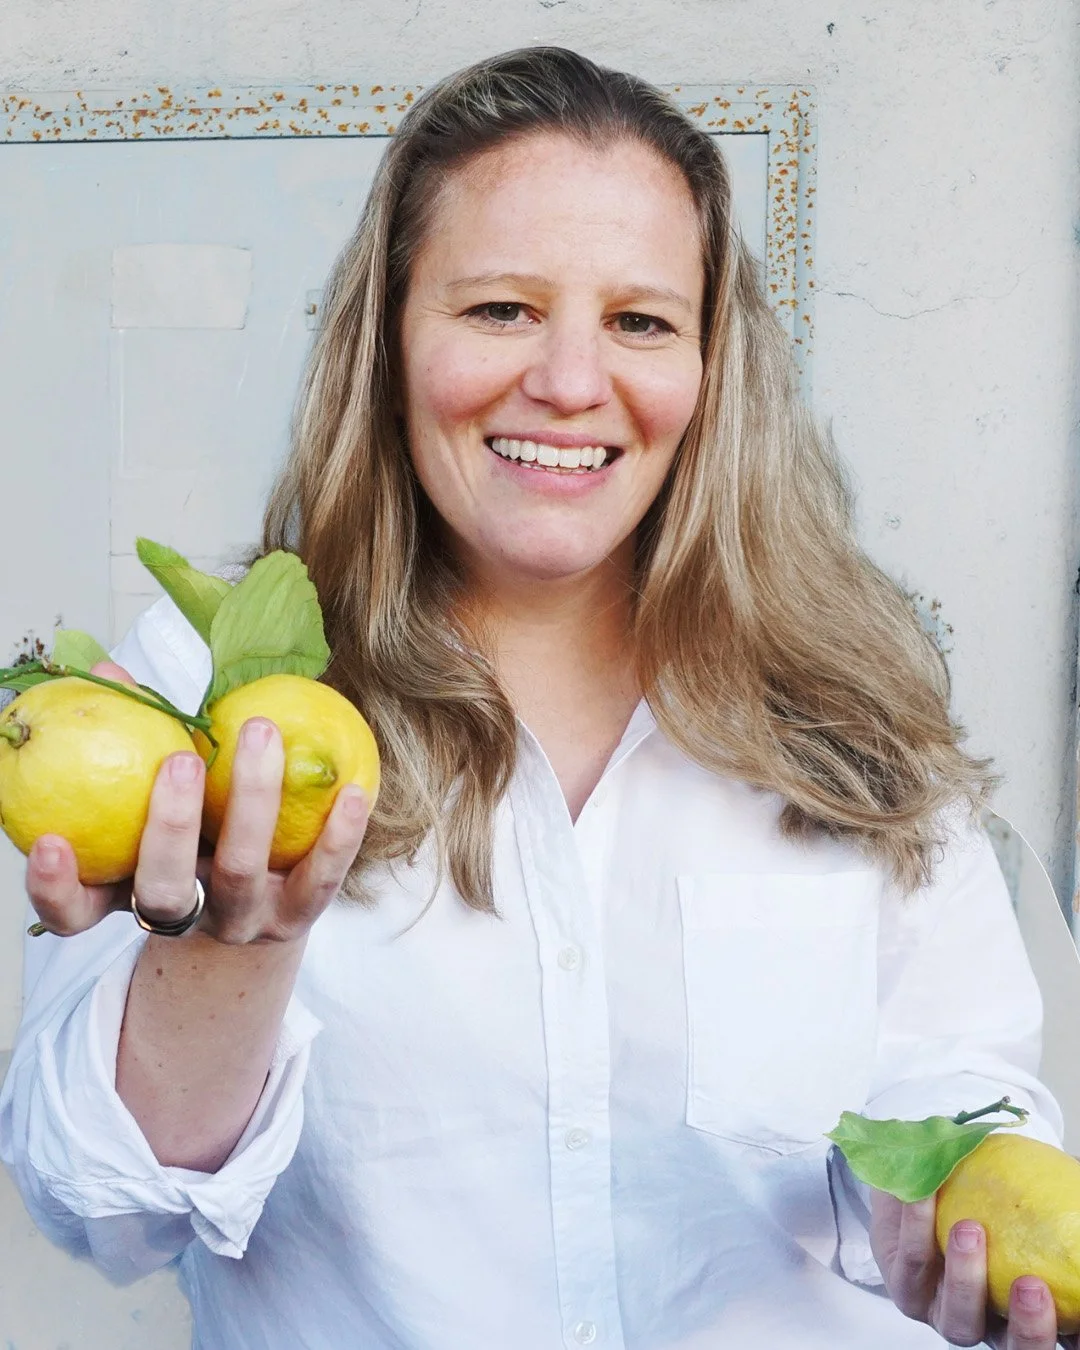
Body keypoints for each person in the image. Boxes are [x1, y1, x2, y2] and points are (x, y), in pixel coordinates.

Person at [0, 46, 1071, 1350]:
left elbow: (962, 1079)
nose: (571, 381)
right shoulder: (212, 686)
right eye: (501, 308)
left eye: (640, 320)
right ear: (388, 339)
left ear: (710, 367)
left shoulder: (851, 692)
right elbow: (98, 1205)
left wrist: (946, 1199)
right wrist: (234, 948)